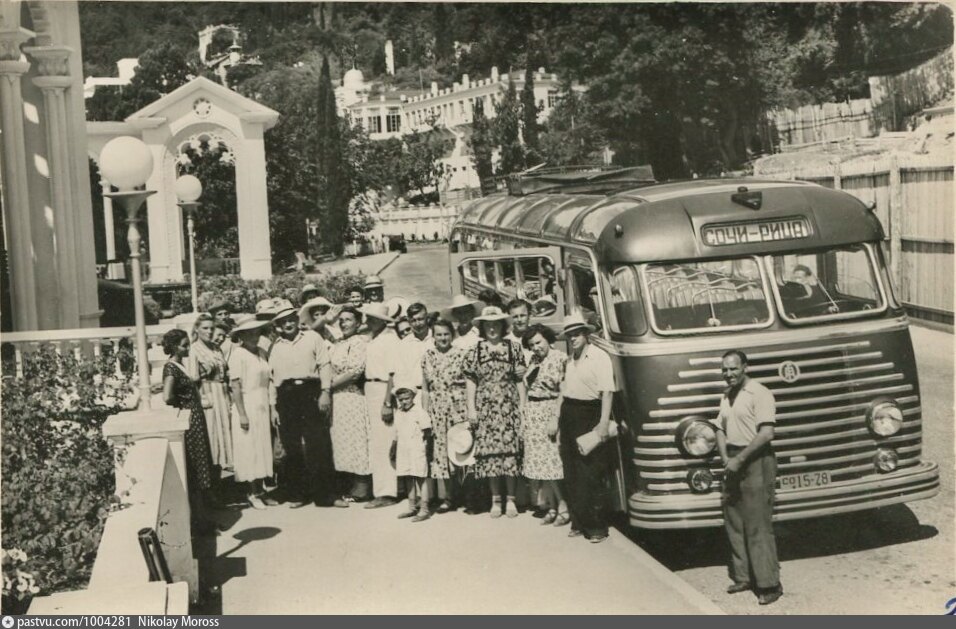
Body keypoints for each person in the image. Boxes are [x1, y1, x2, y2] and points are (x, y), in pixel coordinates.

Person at [713, 350, 782, 605]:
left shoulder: (760, 393)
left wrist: (739, 459)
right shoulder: (726, 395)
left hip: (755, 460)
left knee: (757, 524)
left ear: (745, 367)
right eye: (724, 369)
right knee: (734, 520)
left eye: (733, 368)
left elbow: (766, 433)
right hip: (733, 460)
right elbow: (719, 427)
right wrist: (725, 459)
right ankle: (743, 577)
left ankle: (769, 584)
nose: (728, 373)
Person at [268, 303, 346, 508]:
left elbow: (324, 365)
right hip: (286, 396)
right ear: (278, 325)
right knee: (292, 446)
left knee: (318, 443)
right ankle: (298, 494)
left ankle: (326, 495)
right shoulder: (276, 346)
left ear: (297, 320)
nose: (288, 324)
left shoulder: (312, 337)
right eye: (283, 322)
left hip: (310, 392)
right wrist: (274, 407)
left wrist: (325, 392)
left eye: (291, 319)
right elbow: (272, 380)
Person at [558, 312, 617, 543]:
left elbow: (607, 392)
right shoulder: (569, 360)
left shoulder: (599, 357)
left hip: (590, 414)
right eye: (569, 335)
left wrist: (602, 424)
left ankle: (597, 527)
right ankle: (578, 522)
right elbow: (564, 392)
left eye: (577, 334)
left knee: (591, 472)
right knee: (571, 470)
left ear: (586, 334)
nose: (573, 338)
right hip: (569, 414)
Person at [463, 306, 527, 518]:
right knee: (490, 454)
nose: (492, 329)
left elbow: (519, 380)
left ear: (502, 326)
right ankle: (496, 500)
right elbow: (470, 380)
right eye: (488, 325)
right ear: (483, 327)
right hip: (486, 407)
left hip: (509, 405)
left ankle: (511, 500)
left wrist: (522, 406)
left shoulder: (514, 348)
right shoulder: (474, 350)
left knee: (510, 453)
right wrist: (471, 408)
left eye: (496, 324)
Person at [161, 328, 217, 531]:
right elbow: (167, 396)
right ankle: (199, 522)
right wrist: (183, 404)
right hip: (190, 423)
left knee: (200, 468)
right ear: (174, 347)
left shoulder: (179, 365)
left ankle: (202, 519)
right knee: (194, 469)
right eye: (184, 345)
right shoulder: (171, 368)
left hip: (195, 420)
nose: (187, 349)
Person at [521, 324, 569, 526]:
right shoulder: (534, 360)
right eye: (532, 345)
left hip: (550, 410)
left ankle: (564, 506)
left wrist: (555, 418)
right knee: (543, 465)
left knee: (553, 462)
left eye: (539, 342)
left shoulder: (560, 358)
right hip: (534, 413)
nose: (536, 347)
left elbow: (563, 390)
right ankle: (552, 506)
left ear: (548, 339)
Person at [227, 314, 276, 509]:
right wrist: (242, 414)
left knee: (262, 446)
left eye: (256, 332)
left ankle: (261, 490)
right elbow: (235, 386)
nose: (254, 337)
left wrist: (272, 407)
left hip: (262, 403)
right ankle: (252, 492)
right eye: (249, 333)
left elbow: (269, 381)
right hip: (246, 404)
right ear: (241, 336)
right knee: (249, 448)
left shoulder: (262, 352)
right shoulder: (238, 355)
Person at [421, 318, 466, 514]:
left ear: (452, 335)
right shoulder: (427, 356)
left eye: (446, 334)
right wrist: (424, 415)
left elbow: (469, 383)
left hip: (458, 408)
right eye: (439, 334)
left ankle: (467, 495)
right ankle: (449, 498)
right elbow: (425, 389)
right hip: (437, 410)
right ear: (433, 336)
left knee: (461, 451)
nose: (443, 338)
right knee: (441, 454)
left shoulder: (462, 354)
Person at [329, 306, 372, 502]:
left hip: (352, 395)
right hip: (337, 398)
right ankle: (347, 485)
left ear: (358, 323)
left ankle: (362, 488)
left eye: (348, 319)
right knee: (341, 441)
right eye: (341, 320)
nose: (344, 323)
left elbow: (355, 371)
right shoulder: (338, 343)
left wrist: (328, 386)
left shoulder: (360, 342)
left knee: (356, 439)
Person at [362, 302, 401, 508]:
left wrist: (387, 401)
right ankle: (382, 488)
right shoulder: (373, 338)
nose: (368, 321)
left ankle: (387, 492)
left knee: (384, 441)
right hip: (370, 389)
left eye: (372, 318)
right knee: (376, 441)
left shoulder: (391, 340)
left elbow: (393, 373)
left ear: (382, 320)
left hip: (382, 389)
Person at [190, 313, 233, 473]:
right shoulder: (193, 350)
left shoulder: (216, 348)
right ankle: (212, 475)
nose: (209, 332)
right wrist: (201, 399)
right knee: (212, 433)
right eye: (205, 328)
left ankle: (225, 471)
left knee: (225, 431)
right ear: (197, 329)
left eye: (211, 328)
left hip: (223, 394)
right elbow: (193, 379)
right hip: (208, 395)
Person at [393, 382, 433, 522]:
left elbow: (427, 431)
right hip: (404, 449)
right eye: (401, 399)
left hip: (417, 449)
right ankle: (412, 507)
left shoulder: (419, 412)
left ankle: (424, 509)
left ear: (413, 397)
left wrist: (426, 449)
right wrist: (394, 446)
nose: (404, 402)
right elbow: (397, 432)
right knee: (408, 476)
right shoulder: (398, 412)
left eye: (407, 398)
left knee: (420, 477)